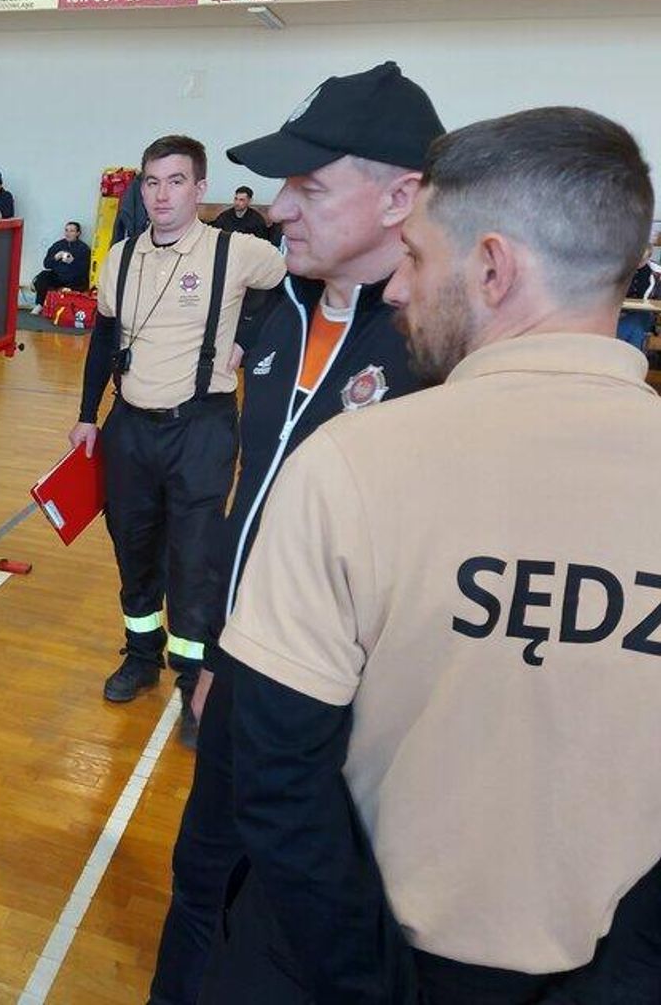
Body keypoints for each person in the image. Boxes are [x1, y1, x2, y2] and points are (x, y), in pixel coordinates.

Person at [204, 106, 661, 1003]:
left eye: (415, 256)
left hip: (342, 966)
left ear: (492, 268)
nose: (399, 290)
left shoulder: (353, 465)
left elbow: (281, 778)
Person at [149, 61, 445, 1005]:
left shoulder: (442, 349)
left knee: (301, 932)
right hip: (247, 671)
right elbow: (252, 507)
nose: (278, 210)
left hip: (356, 714)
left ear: (401, 198)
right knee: (200, 883)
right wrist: (215, 656)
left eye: (310, 188)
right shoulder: (280, 312)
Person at [71, 136, 287, 717]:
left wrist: (246, 339)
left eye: (175, 181)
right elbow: (104, 337)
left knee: (195, 556)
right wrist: (87, 415)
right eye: (152, 182)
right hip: (129, 428)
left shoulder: (235, 251)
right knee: (133, 546)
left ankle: (194, 675)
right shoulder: (121, 257)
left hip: (201, 428)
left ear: (199, 188)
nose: (162, 195)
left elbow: (294, 284)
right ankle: (141, 654)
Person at [32, 221, 93, 310]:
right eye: (66, 230)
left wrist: (73, 262)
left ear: (78, 233)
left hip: (74, 280)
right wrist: (56, 257)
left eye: (72, 231)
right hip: (59, 277)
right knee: (43, 276)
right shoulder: (58, 245)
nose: (68, 233)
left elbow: (85, 270)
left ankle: (68, 309)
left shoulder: (83, 249)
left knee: (81, 282)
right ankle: (39, 305)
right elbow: (46, 264)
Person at [618, 240, 660, 349]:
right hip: (619, 312)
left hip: (645, 313)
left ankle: (614, 347)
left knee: (635, 323)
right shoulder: (619, 270)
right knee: (636, 330)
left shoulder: (657, 273)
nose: (638, 263)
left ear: (649, 257)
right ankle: (634, 357)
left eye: (642, 260)